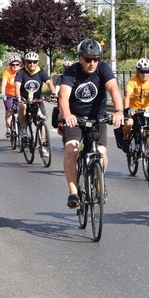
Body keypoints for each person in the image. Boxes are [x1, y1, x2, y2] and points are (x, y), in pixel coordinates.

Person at [57, 39, 124, 209]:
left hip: (97, 118)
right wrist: (67, 114)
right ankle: (73, 193)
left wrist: (118, 111)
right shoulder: (71, 72)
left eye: (96, 59)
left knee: (101, 153)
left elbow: (114, 89)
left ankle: (99, 182)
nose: (92, 63)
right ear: (80, 58)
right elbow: (63, 96)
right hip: (75, 119)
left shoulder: (103, 69)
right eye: (88, 59)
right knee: (71, 149)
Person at [15, 51, 56, 142]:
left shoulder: (41, 72)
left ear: (38, 62)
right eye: (29, 62)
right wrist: (18, 97)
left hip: (37, 99)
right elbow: (17, 86)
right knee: (23, 107)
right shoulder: (21, 72)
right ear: (25, 62)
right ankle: (23, 129)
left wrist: (53, 92)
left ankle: (43, 142)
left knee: (41, 120)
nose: (32, 64)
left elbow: (49, 82)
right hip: (24, 98)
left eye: (34, 62)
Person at [120, 57, 149, 152]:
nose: (144, 74)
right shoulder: (132, 81)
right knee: (129, 123)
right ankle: (125, 139)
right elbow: (127, 95)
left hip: (146, 108)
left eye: (147, 71)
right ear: (137, 71)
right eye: (142, 72)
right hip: (132, 108)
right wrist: (128, 109)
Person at [0, 56, 22, 138]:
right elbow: (3, 84)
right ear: (10, 65)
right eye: (13, 65)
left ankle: (23, 127)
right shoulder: (7, 72)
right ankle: (8, 129)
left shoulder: (22, 72)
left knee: (23, 110)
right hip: (9, 94)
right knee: (9, 109)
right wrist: (3, 94)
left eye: (17, 64)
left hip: (20, 94)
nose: (15, 66)